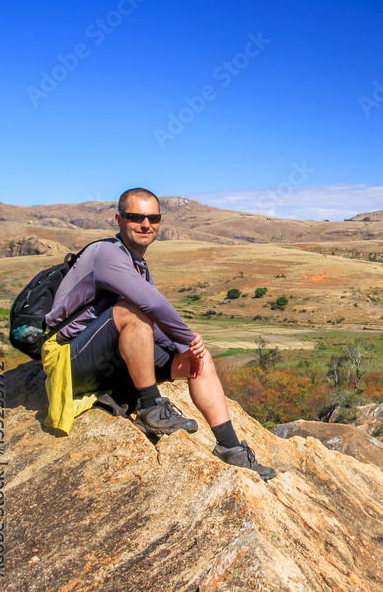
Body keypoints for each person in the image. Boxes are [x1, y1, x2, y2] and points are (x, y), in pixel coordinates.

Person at [45, 187, 275, 481]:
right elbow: (151, 305)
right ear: (118, 219)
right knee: (134, 311)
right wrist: (184, 338)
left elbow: (154, 323)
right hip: (69, 358)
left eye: (153, 218)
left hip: (109, 360)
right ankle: (152, 408)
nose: (145, 224)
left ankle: (231, 449)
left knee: (197, 359)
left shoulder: (138, 265)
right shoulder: (105, 254)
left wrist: (188, 349)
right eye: (135, 217)